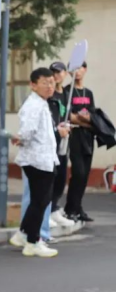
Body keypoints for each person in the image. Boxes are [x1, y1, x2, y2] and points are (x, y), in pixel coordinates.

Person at [11, 68, 69, 258]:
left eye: (52, 82)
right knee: (41, 201)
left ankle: (23, 234)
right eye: (45, 83)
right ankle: (33, 242)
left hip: (42, 159)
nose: (50, 86)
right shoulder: (34, 105)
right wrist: (21, 138)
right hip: (37, 160)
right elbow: (28, 131)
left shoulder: (40, 103)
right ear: (33, 85)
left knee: (39, 200)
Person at [64, 63, 96, 223]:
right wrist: (82, 119)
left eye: (80, 68)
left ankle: (77, 207)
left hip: (88, 136)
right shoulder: (67, 92)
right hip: (74, 135)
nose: (77, 72)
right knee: (78, 172)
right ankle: (70, 208)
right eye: (74, 69)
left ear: (85, 69)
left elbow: (93, 116)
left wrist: (84, 118)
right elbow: (68, 116)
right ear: (69, 72)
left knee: (85, 174)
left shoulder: (88, 93)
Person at [48, 61, 76, 227]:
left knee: (61, 177)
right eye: (53, 72)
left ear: (65, 73)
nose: (56, 75)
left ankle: (54, 208)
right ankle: (47, 211)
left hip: (63, 141)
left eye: (59, 72)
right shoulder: (49, 94)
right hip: (51, 140)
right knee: (51, 176)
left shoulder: (66, 94)